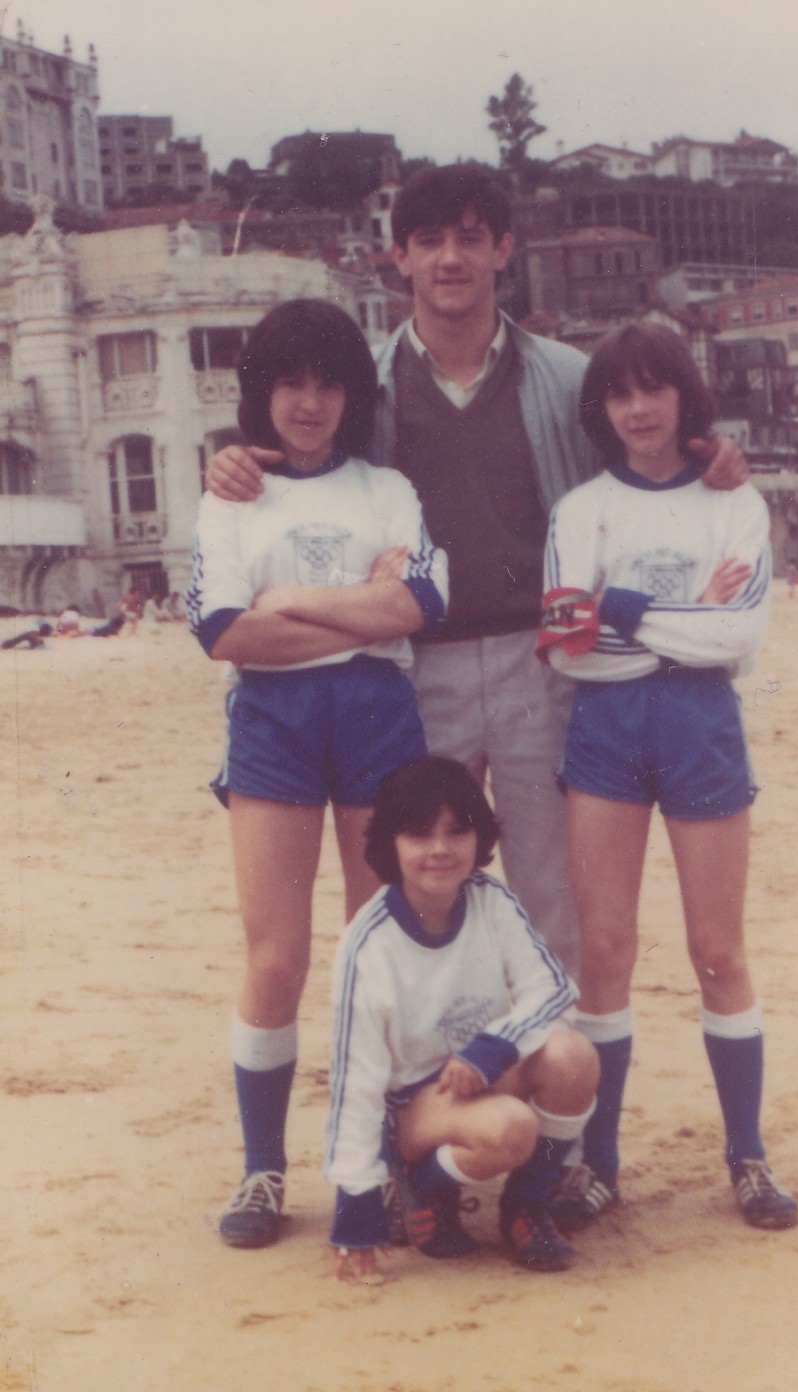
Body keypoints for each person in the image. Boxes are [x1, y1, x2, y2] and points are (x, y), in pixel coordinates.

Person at [205, 164, 750, 978]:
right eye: (429, 241)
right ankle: (439, 1074)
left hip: (541, 661)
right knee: (430, 881)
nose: (450, 258)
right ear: (399, 257)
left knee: (548, 888)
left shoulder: (568, 379)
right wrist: (231, 462)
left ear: (504, 249)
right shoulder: (368, 386)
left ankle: (549, 1074)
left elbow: (646, 461)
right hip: (417, 666)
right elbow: (300, 466)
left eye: (470, 238)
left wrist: (716, 455)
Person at [187, 299, 448, 1250]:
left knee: (373, 950)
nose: (308, 402)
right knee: (278, 956)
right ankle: (262, 1171)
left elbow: (419, 604)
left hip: (379, 715)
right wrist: (357, 605)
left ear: (351, 393)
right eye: (290, 382)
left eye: (327, 382)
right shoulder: (231, 492)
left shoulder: (388, 489)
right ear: (264, 391)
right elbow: (224, 632)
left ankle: (370, 1160)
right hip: (272, 723)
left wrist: (292, 599)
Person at [538, 322, 798, 1234]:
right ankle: (598, 1164)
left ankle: (748, 1155)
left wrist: (619, 604)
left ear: (685, 397)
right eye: (620, 394)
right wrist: (686, 614)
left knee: (718, 951)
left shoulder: (735, 502)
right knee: (605, 954)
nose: (639, 409)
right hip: (603, 730)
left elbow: (739, 641)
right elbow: (570, 653)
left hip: (701, 724)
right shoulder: (580, 510)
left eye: (655, 389)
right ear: (601, 410)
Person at [325, 755, 599, 1281]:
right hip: (412, 1108)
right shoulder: (369, 944)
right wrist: (355, 1202)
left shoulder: (491, 900)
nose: (440, 850)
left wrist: (494, 1046)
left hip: (481, 1070)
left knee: (572, 1056)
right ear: (391, 843)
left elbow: (552, 988)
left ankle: (526, 1206)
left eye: (457, 830)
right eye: (419, 834)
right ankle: (422, 1186)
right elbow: (352, 1081)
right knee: (511, 1128)